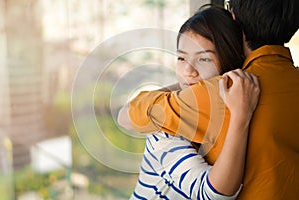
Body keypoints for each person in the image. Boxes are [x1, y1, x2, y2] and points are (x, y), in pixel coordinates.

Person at [120, 0, 299, 199]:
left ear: (233, 17)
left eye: (204, 58)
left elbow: (129, 114)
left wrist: (182, 90)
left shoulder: (221, 92)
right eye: (181, 58)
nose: (189, 71)